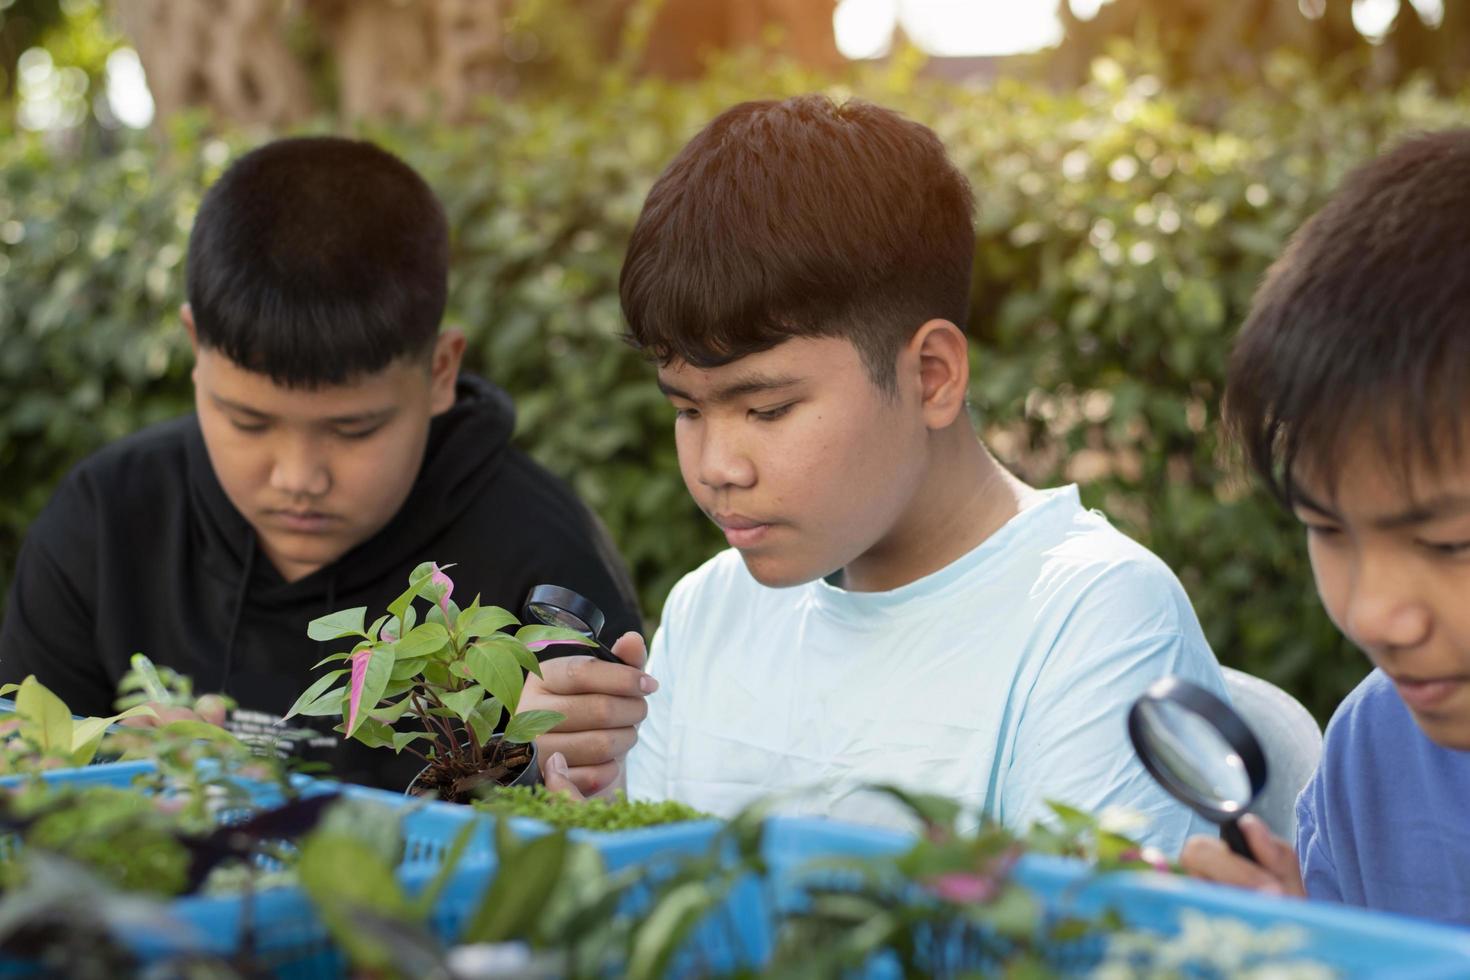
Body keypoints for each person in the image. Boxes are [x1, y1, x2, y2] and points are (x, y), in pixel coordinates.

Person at [527, 95, 1226, 853]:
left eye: (766, 409)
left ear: (931, 376)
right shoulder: (710, 611)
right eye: (688, 411)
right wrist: (584, 794)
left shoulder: (1092, 620)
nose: (715, 469)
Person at [0, 136, 642, 788]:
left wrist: (543, 770)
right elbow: (19, 786)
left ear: (440, 370)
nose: (298, 478)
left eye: (353, 428)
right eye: (248, 422)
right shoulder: (105, 523)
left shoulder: (545, 561)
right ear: (196, 347)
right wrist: (102, 762)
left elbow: (609, 841)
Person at [1179, 129, 1470, 925]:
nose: (1373, 615)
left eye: (1452, 543)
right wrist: (1310, 940)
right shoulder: (1375, 750)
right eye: (1326, 527)